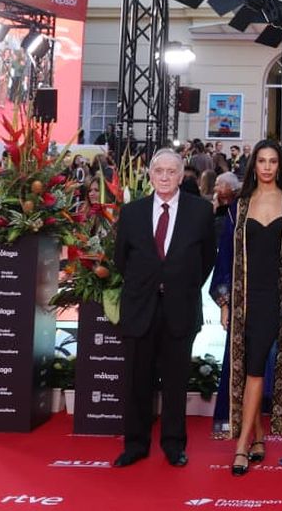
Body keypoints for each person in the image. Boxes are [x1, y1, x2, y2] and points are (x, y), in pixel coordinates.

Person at [113, 148, 217, 469]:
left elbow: (206, 259)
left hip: (180, 307)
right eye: (159, 171)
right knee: (136, 381)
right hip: (140, 308)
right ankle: (135, 444)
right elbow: (121, 260)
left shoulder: (200, 211)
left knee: (175, 383)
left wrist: (178, 284)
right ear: (150, 175)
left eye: (172, 171)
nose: (165, 177)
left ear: (182, 174)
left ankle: (174, 445)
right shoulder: (132, 213)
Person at [210, 142, 282, 471]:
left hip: (276, 299)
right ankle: (257, 438)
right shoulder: (239, 206)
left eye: (272, 161)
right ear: (253, 165)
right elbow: (225, 256)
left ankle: (240, 446)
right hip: (241, 298)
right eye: (261, 161)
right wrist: (223, 301)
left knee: (255, 369)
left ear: (280, 166)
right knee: (249, 367)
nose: (266, 167)